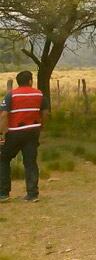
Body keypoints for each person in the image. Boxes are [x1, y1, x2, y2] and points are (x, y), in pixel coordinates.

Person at [0, 71, 49, 203]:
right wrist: (41, 126)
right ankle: (32, 194)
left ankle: (3, 193)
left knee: (3, 159)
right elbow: (45, 112)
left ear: (18, 82)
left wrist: (2, 133)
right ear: (30, 81)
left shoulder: (11, 95)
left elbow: (4, 115)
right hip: (32, 132)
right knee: (30, 162)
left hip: (14, 132)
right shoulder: (39, 94)